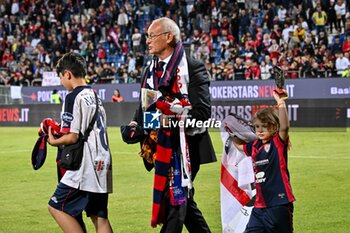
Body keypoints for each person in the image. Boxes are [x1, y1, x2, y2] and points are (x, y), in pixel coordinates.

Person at [128, 17, 216, 232]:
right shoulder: (149, 70)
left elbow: (203, 113)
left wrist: (168, 120)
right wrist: (135, 123)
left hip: (186, 149)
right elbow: (145, 104)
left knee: (174, 204)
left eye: (152, 36)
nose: (147, 41)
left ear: (168, 37)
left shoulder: (192, 67)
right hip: (161, 148)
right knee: (185, 206)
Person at [46, 52, 113, 233]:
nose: (61, 82)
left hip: (86, 164)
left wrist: (53, 140)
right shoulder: (95, 95)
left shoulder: (72, 96)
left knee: (55, 206)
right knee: (99, 216)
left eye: (61, 77)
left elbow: (73, 136)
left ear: (67, 74)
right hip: (104, 162)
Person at [231, 90, 295, 233]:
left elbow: (285, 127)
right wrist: (232, 131)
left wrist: (281, 102)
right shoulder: (254, 146)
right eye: (257, 126)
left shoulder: (277, 143)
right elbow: (239, 146)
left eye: (264, 126)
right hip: (259, 207)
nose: (260, 130)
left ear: (273, 127)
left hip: (279, 204)